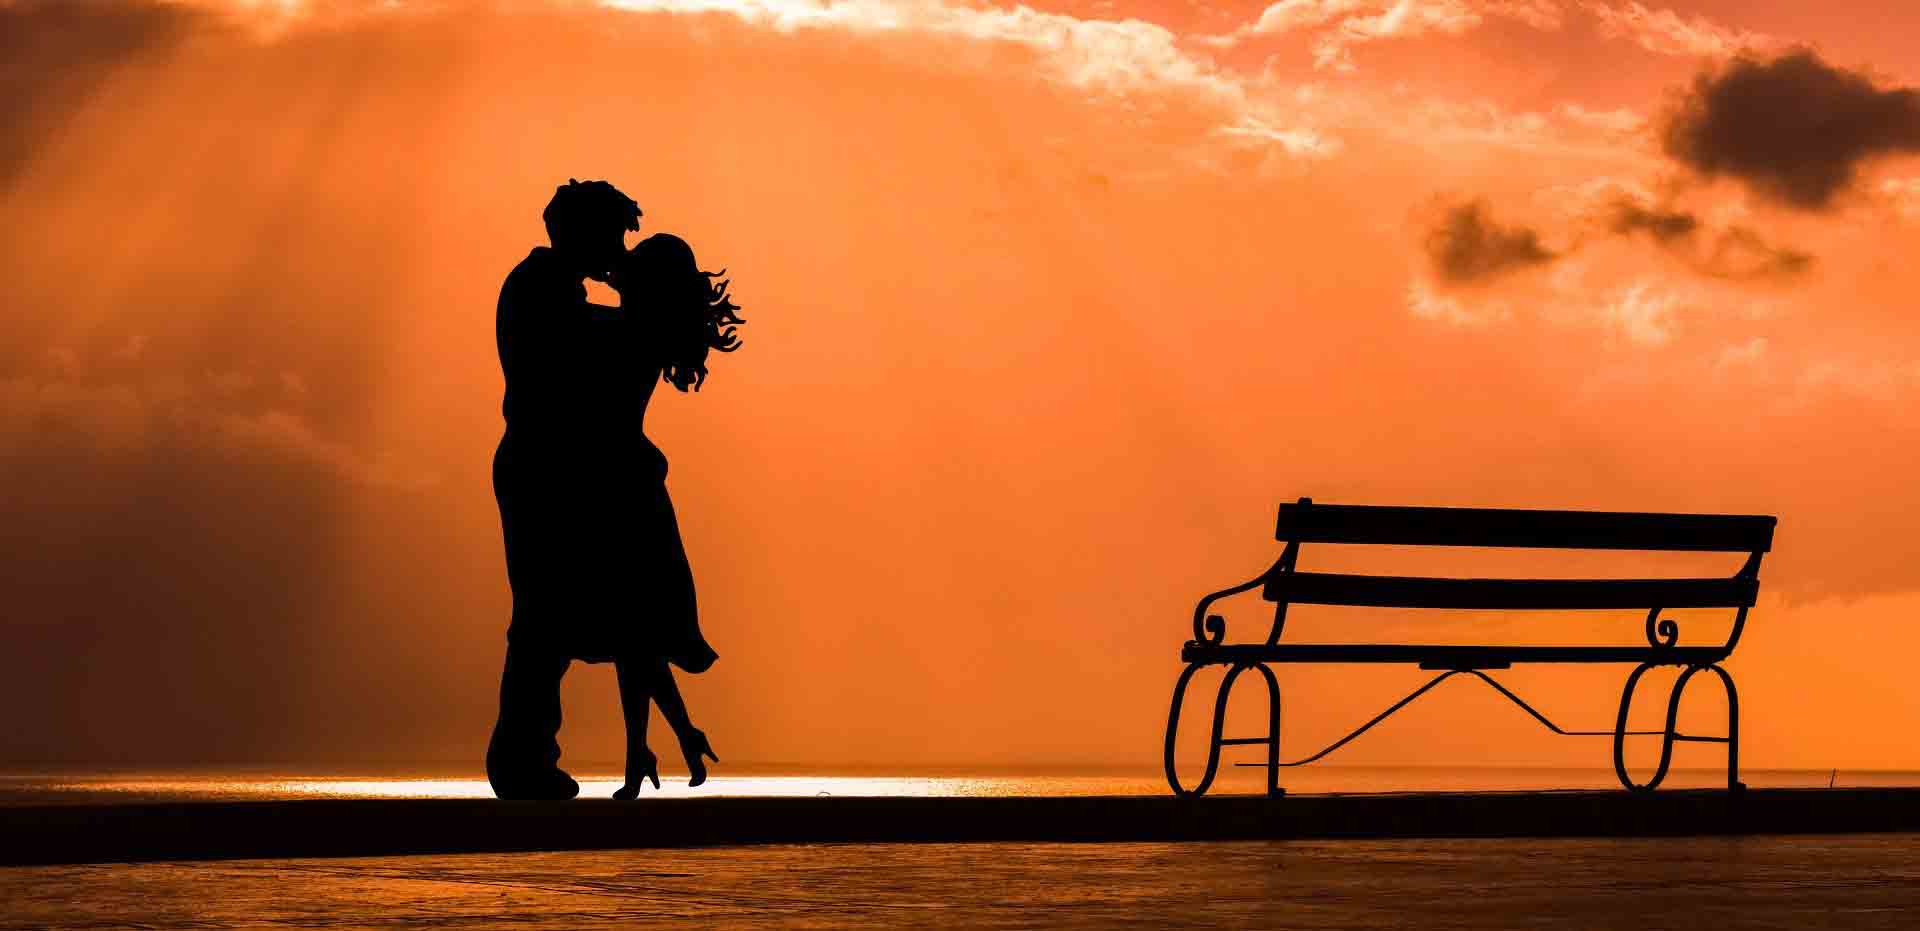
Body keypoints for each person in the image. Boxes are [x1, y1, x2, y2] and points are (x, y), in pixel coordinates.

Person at [484, 180, 742, 800]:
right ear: (583, 234)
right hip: (549, 475)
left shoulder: (566, 298)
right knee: (547, 619)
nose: (618, 253)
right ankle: (523, 760)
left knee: (564, 619)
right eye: (613, 238)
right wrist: (647, 306)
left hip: (575, 476)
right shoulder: (544, 292)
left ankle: (530, 758)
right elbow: (579, 350)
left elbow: (605, 345)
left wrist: (644, 307)